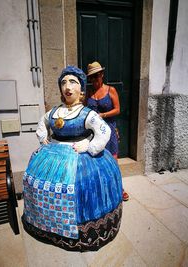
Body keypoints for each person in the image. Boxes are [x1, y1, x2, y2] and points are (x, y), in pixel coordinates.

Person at [22, 66, 123, 252]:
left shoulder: (86, 113)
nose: (67, 87)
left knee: (85, 184)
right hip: (53, 151)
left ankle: (81, 232)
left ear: (82, 89)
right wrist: (43, 135)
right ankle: (47, 225)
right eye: (63, 82)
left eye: (73, 82)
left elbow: (104, 131)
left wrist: (90, 146)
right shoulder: (54, 111)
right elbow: (43, 122)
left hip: (78, 153)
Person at [86, 61, 129, 201]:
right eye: (91, 77)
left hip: (109, 131)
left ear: (102, 75)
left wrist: (102, 115)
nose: (94, 79)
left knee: (113, 162)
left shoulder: (111, 90)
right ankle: (100, 191)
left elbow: (117, 109)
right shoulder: (89, 92)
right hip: (93, 133)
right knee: (96, 162)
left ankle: (119, 188)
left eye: (97, 76)